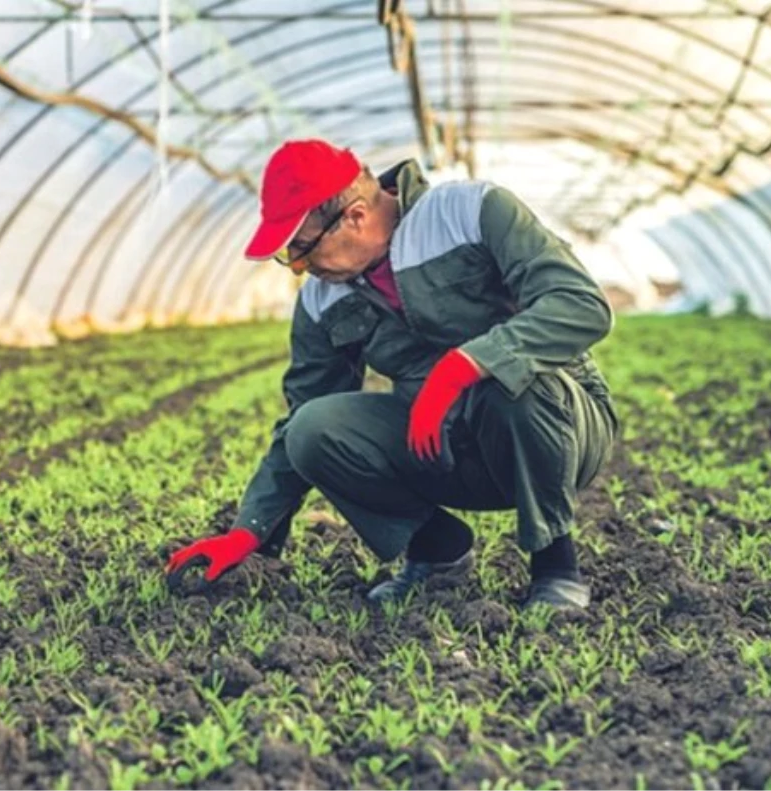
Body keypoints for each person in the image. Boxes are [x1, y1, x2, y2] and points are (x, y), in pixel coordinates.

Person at [165, 139, 619, 609]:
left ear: (356, 217)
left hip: (559, 429)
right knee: (312, 430)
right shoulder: (322, 298)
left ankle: (555, 566)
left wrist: (464, 367)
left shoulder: (468, 213)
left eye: (302, 249)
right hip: (443, 446)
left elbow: (581, 305)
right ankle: (438, 550)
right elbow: (301, 419)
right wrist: (249, 531)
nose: (300, 268)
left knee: (514, 383)